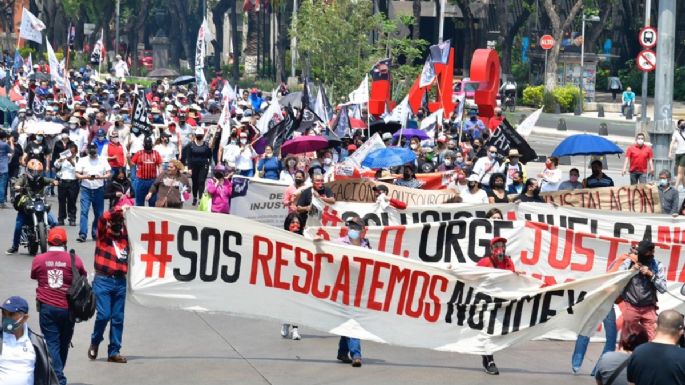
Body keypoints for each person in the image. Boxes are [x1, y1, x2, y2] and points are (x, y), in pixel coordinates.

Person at [30, 227, 87, 385]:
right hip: (68, 310)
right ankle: (58, 377)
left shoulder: (39, 259)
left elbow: (34, 275)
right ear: (65, 242)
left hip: (47, 308)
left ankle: (57, 377)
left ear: (47, 241)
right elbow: (83, 276)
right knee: (63, 344)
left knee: (53, 344)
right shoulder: (74, 259)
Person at [89, 208, 129, 364]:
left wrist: (128, 212)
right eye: (115, 222)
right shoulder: (103, 236)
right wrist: (119, 209)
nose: (118, 225)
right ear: (110, 223)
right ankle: (95, 340)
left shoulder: (125, 238)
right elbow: (102, 218)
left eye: (120, 222)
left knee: (118, 318)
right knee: (104, 315)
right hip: (103, 280)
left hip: (120, 281)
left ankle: (114, 351)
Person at [475, 237, 519, 375]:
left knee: (497, 332)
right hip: (487, 304)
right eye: (497, 246)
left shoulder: (508, 262)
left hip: (502, 303)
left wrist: (517, 276)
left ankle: (486, 355)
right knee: (488, 330)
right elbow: (471, 275)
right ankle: (489, 360)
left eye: (502, 245)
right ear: (491, 249)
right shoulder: (485, 262)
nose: (500, 248)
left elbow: (511, 280)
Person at [333, 216, 368, 367]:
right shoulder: (339, 243)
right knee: (353, 320)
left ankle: (342, 352)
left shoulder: (367, 247)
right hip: (343, 288)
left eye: (355, 228)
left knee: (349, 320)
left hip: (359, 290)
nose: (352, 230)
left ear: (362, 231)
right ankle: (356, 355)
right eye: (350, 227)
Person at [0, 295, 59, 385]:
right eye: (4, 313)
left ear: (24, 318)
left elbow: (48, 374)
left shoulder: (36, 342)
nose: (6, 318)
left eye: (11, 314)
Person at [7, 160, 59, 254]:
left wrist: (55, 181)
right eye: (34, 171)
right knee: (19, 226)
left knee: (54, 222)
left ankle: (54, 244)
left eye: (39, 172)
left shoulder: (42, 179)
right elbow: (17, 183)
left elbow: (50, 180)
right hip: (27, 205)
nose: (36, 174)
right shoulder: (24, 178)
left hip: (40, 204)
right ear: (29, 170)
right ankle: (15, 246)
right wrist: (17, 186)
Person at [619, 239, 667, 342]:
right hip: (631, 306)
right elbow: (617, 279)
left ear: (651, 252)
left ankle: (650, 357)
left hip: (649, 308)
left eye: (645, 252)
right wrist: (631, 271)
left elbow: (663, 288)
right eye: (640, 252)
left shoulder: (657, 265)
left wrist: (651, 275)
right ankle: (630, 358)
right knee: (628, 340)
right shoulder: (630, 261)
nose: (642, 254)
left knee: (654, 340)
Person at [626, 310, 685, 385]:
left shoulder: (638, 352)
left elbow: (631, 383)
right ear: (681, 332)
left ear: (655, 326)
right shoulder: (683, 356)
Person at [75, 143, 111, 242]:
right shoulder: (83, 160)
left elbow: (108, 174)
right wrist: (86, 177)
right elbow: (77, 174)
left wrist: (100, 177)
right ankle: (83, 234)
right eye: (90, 149)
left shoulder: (102, 159)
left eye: (94, 149)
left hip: (98, 188)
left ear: (96, 149)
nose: (92, 151)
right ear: (88, 150)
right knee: (84, 212)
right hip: (86, 188)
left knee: (99, 214)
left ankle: (96, 233)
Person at [280, 212, 304, 341]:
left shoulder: (304, 238)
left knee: (297, 302)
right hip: (285, 273)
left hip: (299, 274)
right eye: (293, 223)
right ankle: (285, 322)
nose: (295, 225)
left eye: (298, 223)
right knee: (287, 301)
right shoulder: (282, 237)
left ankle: (295, 329)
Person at [182, 128, 212, 205]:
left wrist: (210, 148)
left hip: (204, 165)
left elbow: (209, 155)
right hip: (194, 166)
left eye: (201, 136)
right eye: (198, 135)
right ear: (195, 135)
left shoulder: (206, 145)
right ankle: (195, 197)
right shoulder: (191, 144)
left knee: (201, 182)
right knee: (195, 182)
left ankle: (200, 199)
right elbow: (188, 157)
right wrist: (189, 168)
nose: (199, 137)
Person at [130, 136, 162, 207]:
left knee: (153, 202)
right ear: (143, 144)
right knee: (139, 203)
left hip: (152, 181)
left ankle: (151, 218)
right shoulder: (139, 153)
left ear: (152, 144)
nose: (148, 144)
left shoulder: (156, 153)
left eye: (149, 143)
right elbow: (132, 164)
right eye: (146, 143)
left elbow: (160, 165)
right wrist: (128, 158)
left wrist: (160, 177)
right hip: (140, 181)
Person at [54, 143, 79, 226]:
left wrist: (71, 160)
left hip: (73, 182)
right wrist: (61, 160)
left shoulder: (78, 159)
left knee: (72, 201)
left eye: (73, 152)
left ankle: (72, 218)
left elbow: (78, 168)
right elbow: (56, 165)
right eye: (70, 152)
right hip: (63, 181)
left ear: (75, 152)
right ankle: (61, 218)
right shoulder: (63, 157)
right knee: (61, 201)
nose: (71, 154)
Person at [670, 120, 685, 190]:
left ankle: (675, 188)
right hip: (678, 154)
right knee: (681, 173)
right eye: (682, 124)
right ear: (678, 125)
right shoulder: (676, 133)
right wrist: (670, 152)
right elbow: (672, 143)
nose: (683, 125)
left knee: (679, 172)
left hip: (684, 154)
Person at [0, 130, 10, 209]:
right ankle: (1, 202)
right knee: (2, 186)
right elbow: (11, 151)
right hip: (3, 168)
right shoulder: (5, 145)